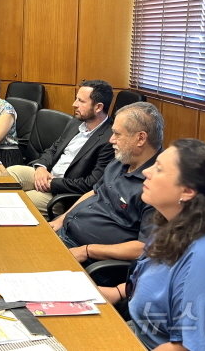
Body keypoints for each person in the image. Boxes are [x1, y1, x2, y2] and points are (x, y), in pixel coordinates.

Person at [100, 139, 205, 350]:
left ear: (187, 191)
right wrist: (117, 292)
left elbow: (185, 348)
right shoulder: (176, 223)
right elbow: (161, 282)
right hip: (143, 334)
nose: (147, 172)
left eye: (159, 169)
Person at [49, 102, 163, 264]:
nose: (111, 140)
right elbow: (95, 192)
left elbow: (145, 247)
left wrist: (88, 251)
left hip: (89, 258)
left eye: (117, 134)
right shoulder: (121, 160)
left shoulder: (157, 184)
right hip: (65, 233)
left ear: (140, 138)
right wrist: (62, 219)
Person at [7, 80, 115, 214]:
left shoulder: (110, 139)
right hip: (48, 174)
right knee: (9, 174)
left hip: (63, 195)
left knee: (19, 201)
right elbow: (53, 149)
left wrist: (53, 183)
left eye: (81, 101)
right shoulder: (75, 123)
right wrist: (41, 167)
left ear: (98, 107)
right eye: (76, 99)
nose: (74, 104)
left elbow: (91, 183)